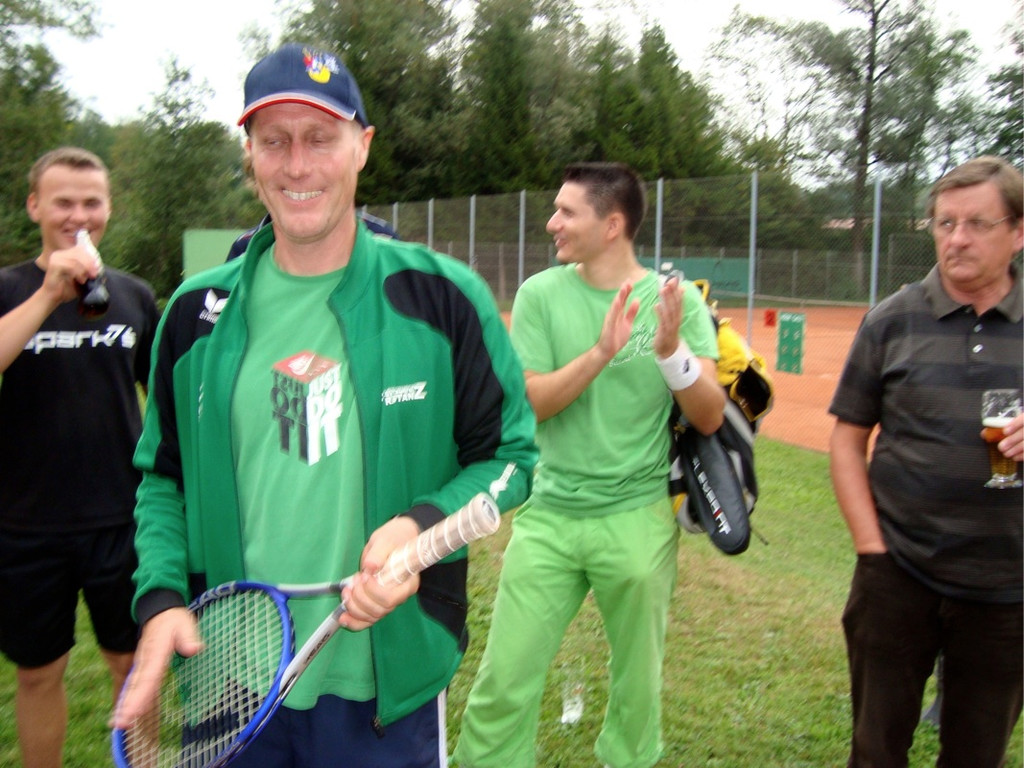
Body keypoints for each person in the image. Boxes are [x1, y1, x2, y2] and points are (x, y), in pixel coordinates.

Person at [110, 42, 537, 768]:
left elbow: (509, 459)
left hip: (381, 686)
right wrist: (160, 600)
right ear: (249, 154)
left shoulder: (443, 298)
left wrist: (419, 528)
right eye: (274, 141)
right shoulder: (192, 313)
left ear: (362, 146)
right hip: (231, 680)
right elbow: (163, 480)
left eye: (320, 138)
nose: (297, 165)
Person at [453, 162, 725, 768]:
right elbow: (531, 403)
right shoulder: (540, 295)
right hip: (549, 517)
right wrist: (601, 352)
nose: (552, 222)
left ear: (612, 225)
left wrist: (672, 354)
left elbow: (709, 417)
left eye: (566, 212)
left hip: (637, 518)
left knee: (637, 689)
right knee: (504, 679)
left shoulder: (676, 301)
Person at [829, 155, 1023, 767]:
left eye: (978, 224)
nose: (957, 238)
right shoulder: (892, 319)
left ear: (1018, 232)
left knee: (976, 755)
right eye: (945, 223)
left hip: (1007, 587)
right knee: (875, 750)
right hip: (897, 576)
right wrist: (871, 550)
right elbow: (847, 439)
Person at [0, 147, 160, 768]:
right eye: (62, 201)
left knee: (134, 665)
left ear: (108, 209)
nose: (78, 215)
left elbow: (164, 402)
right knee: (39, 672)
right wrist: (48, 295)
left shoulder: (133, 296)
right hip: (26, 523)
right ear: (34, 206)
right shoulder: (10, 290)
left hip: (122, 518)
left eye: (91, 202)